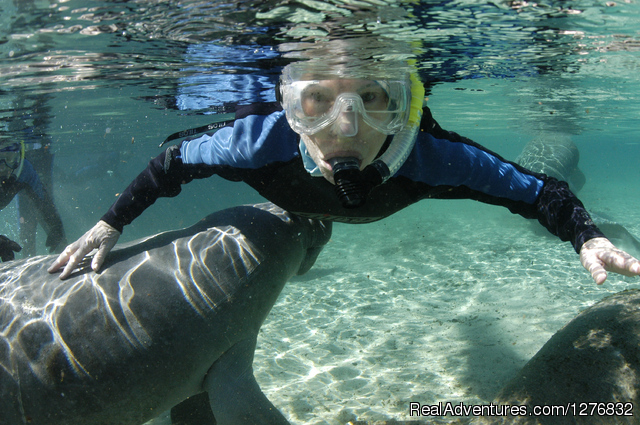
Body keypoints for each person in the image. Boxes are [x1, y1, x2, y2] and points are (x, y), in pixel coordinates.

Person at [48, 52, 640, 286]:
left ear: (404, 109)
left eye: (372, 99)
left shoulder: (432, 156)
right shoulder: (260, 142)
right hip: (295, 197)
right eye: (317, 101)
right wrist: (109, 223)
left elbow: (540, 192)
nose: (345, 126)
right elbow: (171, 162)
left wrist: (584, 235)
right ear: (290, 106)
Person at [0, 140, 66, 261]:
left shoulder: (24, 170)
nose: (2, 168)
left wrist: (56, 226)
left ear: (19, 155)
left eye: (9, 158)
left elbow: (43, 200)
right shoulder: (21, 170)